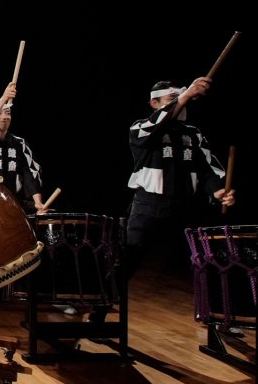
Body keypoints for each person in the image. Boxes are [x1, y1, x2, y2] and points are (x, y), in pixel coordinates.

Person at [90, 77, 236, 323]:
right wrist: (187, 94)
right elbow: (152, 131)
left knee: (206, 260)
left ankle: (219, 316)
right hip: (149, 205)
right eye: (173, 99)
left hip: (185, 207)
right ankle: (98, 313)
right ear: (154, 103)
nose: (182, 103)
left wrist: (217, 191)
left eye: (183, 98)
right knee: (127, 261)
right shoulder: (141, 128)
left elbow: (209, 169)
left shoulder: (193, 133)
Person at [0, 82, 46, 214]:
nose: (5, 117)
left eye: (7, 113)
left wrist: (38, 203)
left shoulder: (20, 143)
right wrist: (4, 98)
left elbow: (31, 174)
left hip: (13, 205)